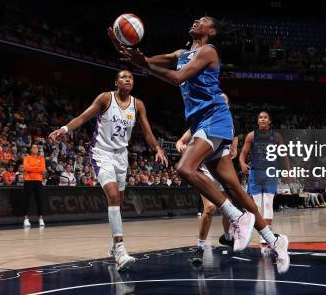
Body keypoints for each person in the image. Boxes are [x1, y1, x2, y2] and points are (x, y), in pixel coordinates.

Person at [112, 16, 290, 273]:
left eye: (203, 20)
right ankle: (275, 241)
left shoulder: (208, 51)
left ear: (212, 31)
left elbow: (176, 77)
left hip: (214, 117)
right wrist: (133, 56)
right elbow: (155, 60)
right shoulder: (183, 52)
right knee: (234, 187)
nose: (196, 20)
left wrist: (144, 65)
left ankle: (236, 217)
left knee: (185, 168)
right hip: (200, 122)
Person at [49, 69, 168, 271]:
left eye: (130, 77)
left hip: (122, 156)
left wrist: (157, 148)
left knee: (119, 203)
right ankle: (120, 250)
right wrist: (65, 129)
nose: (128, 79)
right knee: (113, 196)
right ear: (116, 82)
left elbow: (147, 131)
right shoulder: (106, 98)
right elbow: (83, 117)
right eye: (123, 77)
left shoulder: (138, 104)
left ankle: (114, 246)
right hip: (101, 153)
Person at [175, 93, 238, 266]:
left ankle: (227, 237)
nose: (221, 103)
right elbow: (180, 141)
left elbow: (234, 144)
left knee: (228, 207)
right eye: (219, 100)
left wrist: (234, 150)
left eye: (225, 101)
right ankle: (200, 248)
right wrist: (181, 146)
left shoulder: (230, 124)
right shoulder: (202, 120)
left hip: (219, 168)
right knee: (210, 208)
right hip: (203, 170)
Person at [239, 111, 291, 245]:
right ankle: (262, 232)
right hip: (255, 173)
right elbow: (242, 154)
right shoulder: (251, 135)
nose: (262, 119)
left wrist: (287, 172)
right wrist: (242, 163)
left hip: (270, 172)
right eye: (260, 117)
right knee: (257, 206)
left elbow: (284, 155)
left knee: (268, 204)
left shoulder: (276, 136)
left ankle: (267, 233)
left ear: (269, 121)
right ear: (258, 121)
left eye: (265, 117)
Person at [23, 143, 46, 228]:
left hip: (38, 181)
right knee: (27, 200)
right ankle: (26, 219)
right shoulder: (27, 158)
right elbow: (26, 168)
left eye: (36, 147)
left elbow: (42, 169)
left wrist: (32, 169)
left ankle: (40, 218)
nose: (35, 149)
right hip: (28, 180)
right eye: (34, 147)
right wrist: (37, 168)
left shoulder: (41, 158)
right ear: (31, 149)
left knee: (39, 200)